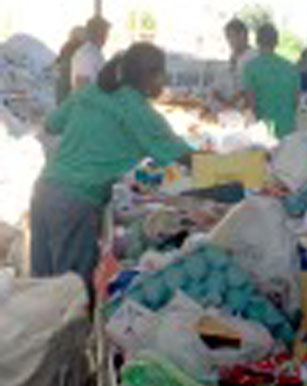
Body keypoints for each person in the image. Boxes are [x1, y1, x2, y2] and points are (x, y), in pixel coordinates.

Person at [31, 42, 195, 300]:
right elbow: (187, 158)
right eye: (163, 74)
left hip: (45, 190)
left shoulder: (91, 92)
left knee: (41, 289)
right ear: (149, 76)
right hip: (76, 201)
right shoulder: (140, 112)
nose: (165, 82)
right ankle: (72, 340)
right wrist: (243, 165)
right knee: (71, 295)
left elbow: (51, 125)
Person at [242, 23, 301, 138]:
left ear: (257, 41)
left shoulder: (251, 68)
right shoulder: (290, 67)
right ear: (276, 42)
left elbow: (250, 103)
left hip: (264, 130)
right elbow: (296, 102)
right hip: (287, 129)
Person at [212, 18, 257, 110]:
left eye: (231, 36)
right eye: (227, 37)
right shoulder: (231, 59)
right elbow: (217, 87)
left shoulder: (254, 58)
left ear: (242, 35)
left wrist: (231, 103)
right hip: (227, 112)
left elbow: (249, 90)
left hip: (246, 113)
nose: (229, 41)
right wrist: (220, 99)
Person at [71, 15, 110, 92]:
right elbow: (82, 86)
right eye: (104, 32)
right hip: (88, 102)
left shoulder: (95, 52)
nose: (106, 37)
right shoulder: (87, 55)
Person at [55, 26, 86, 105]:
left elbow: (59, 60)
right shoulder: (79, 49)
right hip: (69, 80)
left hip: (66, 79)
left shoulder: (66, 47)